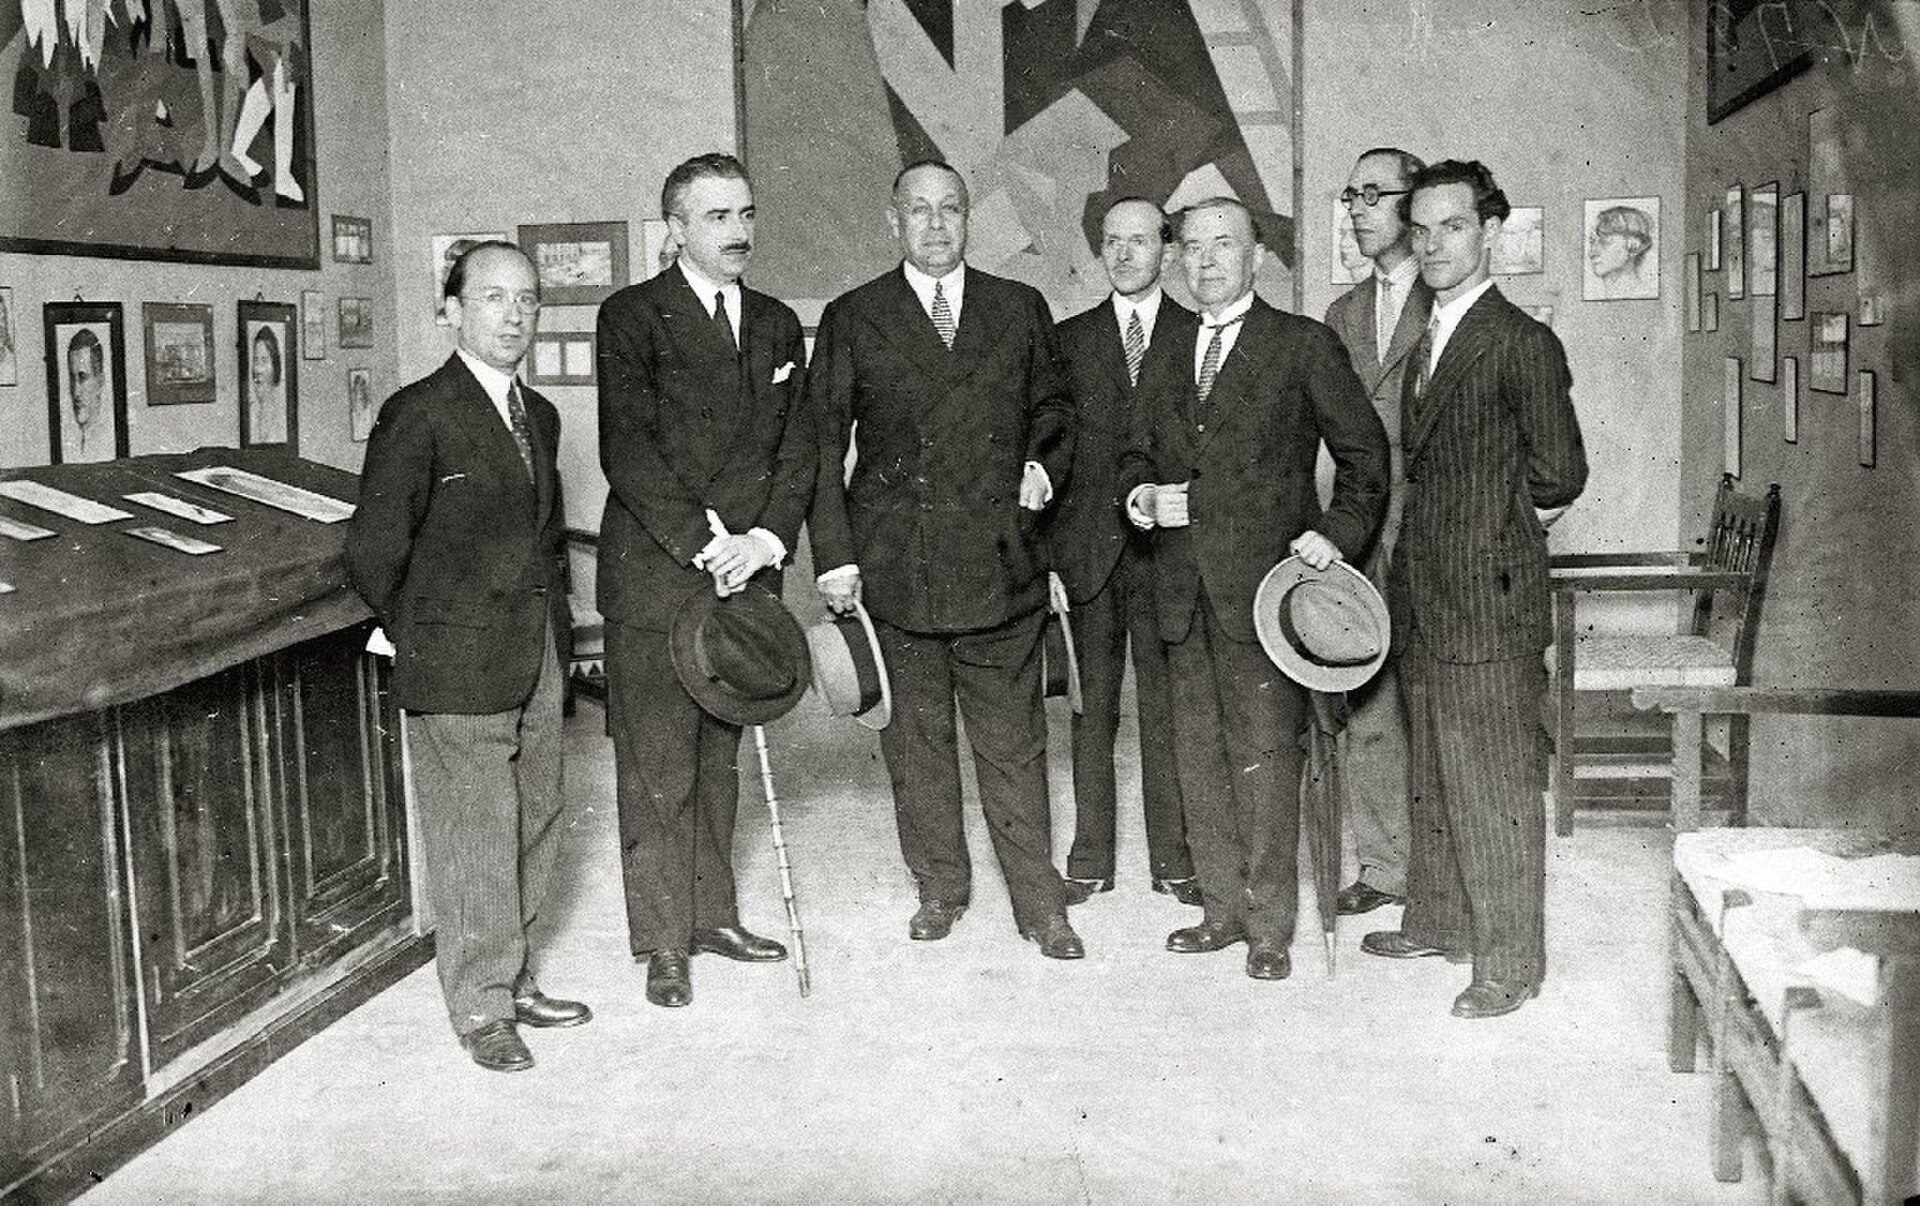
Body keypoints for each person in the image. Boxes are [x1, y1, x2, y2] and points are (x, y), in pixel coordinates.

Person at [808, 160, 1084, 960]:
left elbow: (1056, 409)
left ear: (970, 220)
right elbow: (822, 449)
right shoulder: (854, 316)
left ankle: (1040, 905)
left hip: (1002, 561)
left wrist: (1045, 462)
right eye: (919, 211)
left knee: (1013, 743)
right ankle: (940, 887)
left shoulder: (1018, 307)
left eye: (951, 209)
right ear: (893, 222)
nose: (936, 225)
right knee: (917, 745)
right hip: (897, 566)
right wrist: (834, 558)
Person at [1122, 197, 1388, 981]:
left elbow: (1368, 462)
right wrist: (1140, 498)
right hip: (1179, 592)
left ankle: (1272, 927)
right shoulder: (1166, 349)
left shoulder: (1303, 345)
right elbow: (1135, 456)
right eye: (1193, 248)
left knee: (1267, 758)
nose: (1205, 261)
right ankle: (1221, 912)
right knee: (1197, 759)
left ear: (1258, 256)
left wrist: (1334, 535)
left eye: (1223, 245)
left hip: (1268, 599)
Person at [345, 241, 588, 1073]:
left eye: (527, 299)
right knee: (478, 832)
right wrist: (429, 635)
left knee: (539, 812)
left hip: (533, 649)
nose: (514, 315)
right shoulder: (418, 411)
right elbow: (374, 552)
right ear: (450, 309)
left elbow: (541, 538)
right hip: (457, 661)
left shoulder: (540, 417)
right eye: (492, 297)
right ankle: (481, 1005)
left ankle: (512, 978)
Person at [1361, 160, 1588, 1019]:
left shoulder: (1520, 339)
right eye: (1420, 230)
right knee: (1436, 775)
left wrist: (1491, 529)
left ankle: (1509, 962)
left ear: (1489, 232)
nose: (1433, 244)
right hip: (1427, 596)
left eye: (1451, 227)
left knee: (1492, 786)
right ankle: (1441, 920)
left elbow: (1561, 470)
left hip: (1486, 604)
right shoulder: (1432, 334)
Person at [595, 153, 815, 1008]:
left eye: (747, 214)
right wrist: (705, 542)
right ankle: (663, 940)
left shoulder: (776, 321)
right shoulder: (631, 316)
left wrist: (764, 542)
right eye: (718, 216)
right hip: (660, 569)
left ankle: (714, 916)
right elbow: (629, 449)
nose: (740, 232)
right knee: (658, 762)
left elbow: (799, 445)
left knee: (718, 755)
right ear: (676, 230)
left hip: (744, 570)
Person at [1048, 197, 1198, 907]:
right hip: (1089, 557)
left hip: (1175, 555)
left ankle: (1176, 860)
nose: (1125, 254)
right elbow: (1046, 450)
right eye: (1113, 242)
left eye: (1140, 241)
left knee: (1170, 715)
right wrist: (1049, 559)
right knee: (1091, 714)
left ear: (1167, 250)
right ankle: (1090, 859)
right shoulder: (1067, 339)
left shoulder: (1200, 334)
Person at [1319, 147, 1431, 918]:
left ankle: (1444, 868)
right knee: (1370, 701)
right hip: (1365, 533)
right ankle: (1385, 867)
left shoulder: (1453, 298)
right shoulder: (1342, 316)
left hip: (1436, 529)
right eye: (1350, 195)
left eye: (1372, 195)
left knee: (1443, 703)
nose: (1357, 210)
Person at [1585, 204, 1656, 299]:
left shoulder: (1646, 293)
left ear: (1634, 245)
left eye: (1604, 242)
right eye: (1592, 242)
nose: (1592, 253)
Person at [66, 329, 109, 461]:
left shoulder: (108, 443)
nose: (76, 391)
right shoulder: (69, 442)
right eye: (72, 379)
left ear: (100, 382)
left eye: (83, 377)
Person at [249, 325, 286, 444]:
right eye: (255, 360)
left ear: (275, 366)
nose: (258, 370)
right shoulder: (251, 408)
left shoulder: (282, 408)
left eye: (264, 361)